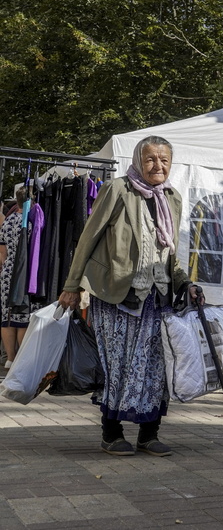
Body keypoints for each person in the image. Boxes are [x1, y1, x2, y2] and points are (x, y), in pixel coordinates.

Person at [58, 136, 198, 457]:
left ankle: (149, 434)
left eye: (164, 160)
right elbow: (88, 239)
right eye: (150, 159)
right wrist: (71, 285)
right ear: (138, 160)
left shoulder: (171, 198)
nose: (157, 166)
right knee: (117, 365)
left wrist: (186, 283)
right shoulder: (118, 190)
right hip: (116, 293)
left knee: (155, 368)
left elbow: (169, 252)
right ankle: (111, 433)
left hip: (158, 295)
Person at [0, 187, 30, 368]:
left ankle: (10, 358)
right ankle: (19, 359)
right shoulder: (31, 222)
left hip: (7, 272)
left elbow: (2, 253)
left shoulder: (8, 221)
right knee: (22, 317)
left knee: (7, 316)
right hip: (23, 272)